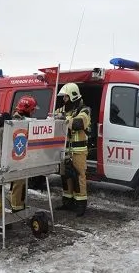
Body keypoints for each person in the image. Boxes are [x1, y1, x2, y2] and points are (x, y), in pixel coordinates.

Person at [55, 83, 91, 217]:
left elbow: (79, 123)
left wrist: (64, 119)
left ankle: (80, 204)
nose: (64, 99)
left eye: (65, 97)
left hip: (78, 150)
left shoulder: (85, 110)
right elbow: (52, 119)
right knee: (65, 176)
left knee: (79, 176)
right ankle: (67, 201)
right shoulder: (62, 110)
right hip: (64, 150)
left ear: (72, 96)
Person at [10, 96, 39, 212]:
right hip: (16, 157)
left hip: (21, 156)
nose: (34, 112)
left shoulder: (22, 119)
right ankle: (17, 208)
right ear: (27, 109)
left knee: (21, 182)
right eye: (32, 109)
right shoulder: (16, 120)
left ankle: (19, 206)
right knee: (19, 182)